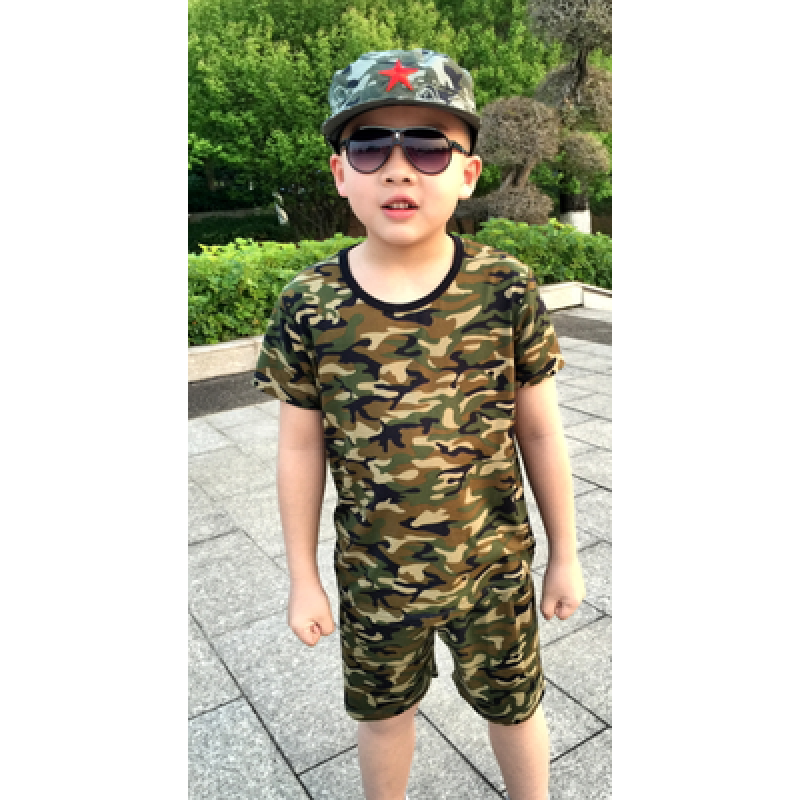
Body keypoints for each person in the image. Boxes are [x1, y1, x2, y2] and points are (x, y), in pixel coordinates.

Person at [253, 49, 586, 800]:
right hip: (375, 581)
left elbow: (539, 432)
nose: (398, 169)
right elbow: (299, 447)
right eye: (370, 146)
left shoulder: (505, 288)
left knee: (516, 709)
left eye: (428, 147)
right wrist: (304, 579)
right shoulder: (309, 304)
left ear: (468, 173)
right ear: (341, 173)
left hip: (493, 571)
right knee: (383, 719)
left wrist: (565, 553)